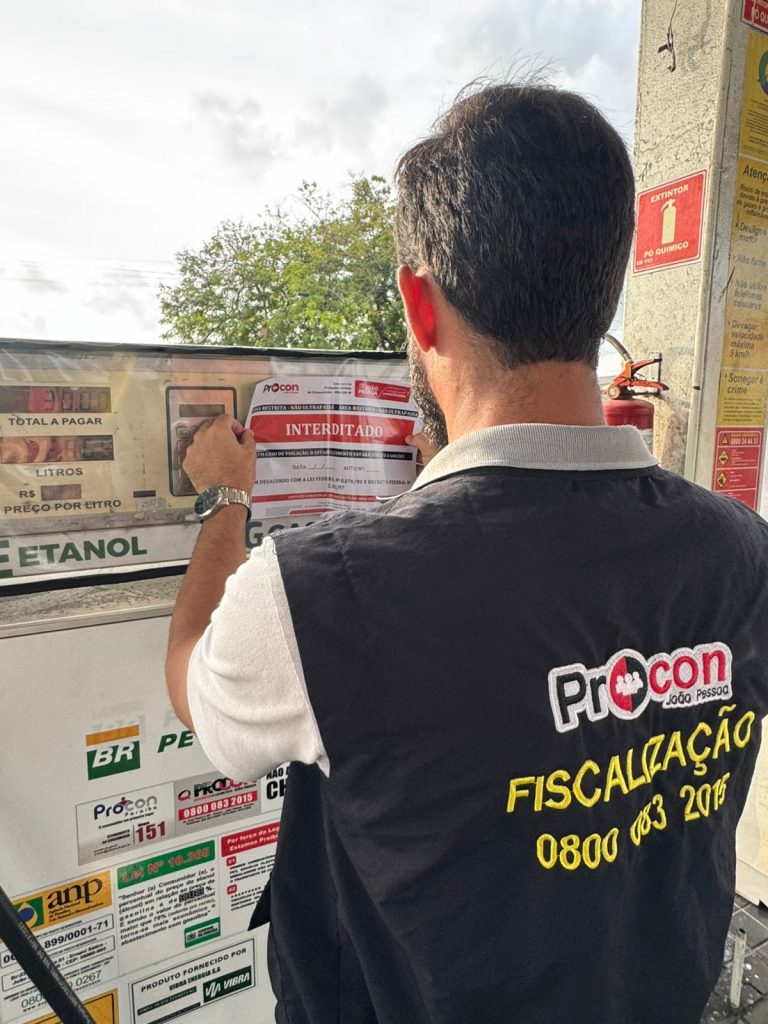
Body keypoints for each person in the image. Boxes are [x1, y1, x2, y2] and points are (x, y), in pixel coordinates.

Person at [165, 80, 768, 1024]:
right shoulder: (739, 549)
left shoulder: (317, 591)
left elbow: (195, 692)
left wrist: (224, 499)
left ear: (419, 302)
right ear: (604, 287)